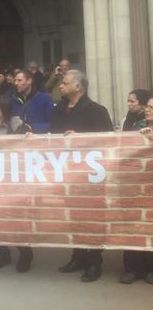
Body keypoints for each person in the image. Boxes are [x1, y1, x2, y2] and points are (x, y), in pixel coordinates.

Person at [50, 70, 113, 282]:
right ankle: (78, 256)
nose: (61, 86)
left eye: (65, 83)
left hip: (90, 175)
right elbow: (52, 135)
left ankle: (94, 261)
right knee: (74, 216)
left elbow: (108, 140)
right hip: (67, 173)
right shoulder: (58, 109)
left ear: (78, 86)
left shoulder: (96, 110)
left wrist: (83, 139)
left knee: (92, 218)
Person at [0, 95, 33, 272]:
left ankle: (25, 253)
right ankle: (2, 253)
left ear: (3, 111)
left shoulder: (17, 126)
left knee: (15, 218)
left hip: (13, 179)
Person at [120, 91, 153, 284]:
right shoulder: (136, 126)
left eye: (151, 108)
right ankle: (132, 268)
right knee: (132, 226)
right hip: (134, 184)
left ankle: (150, 268)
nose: (147, 110)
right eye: (147, 107)